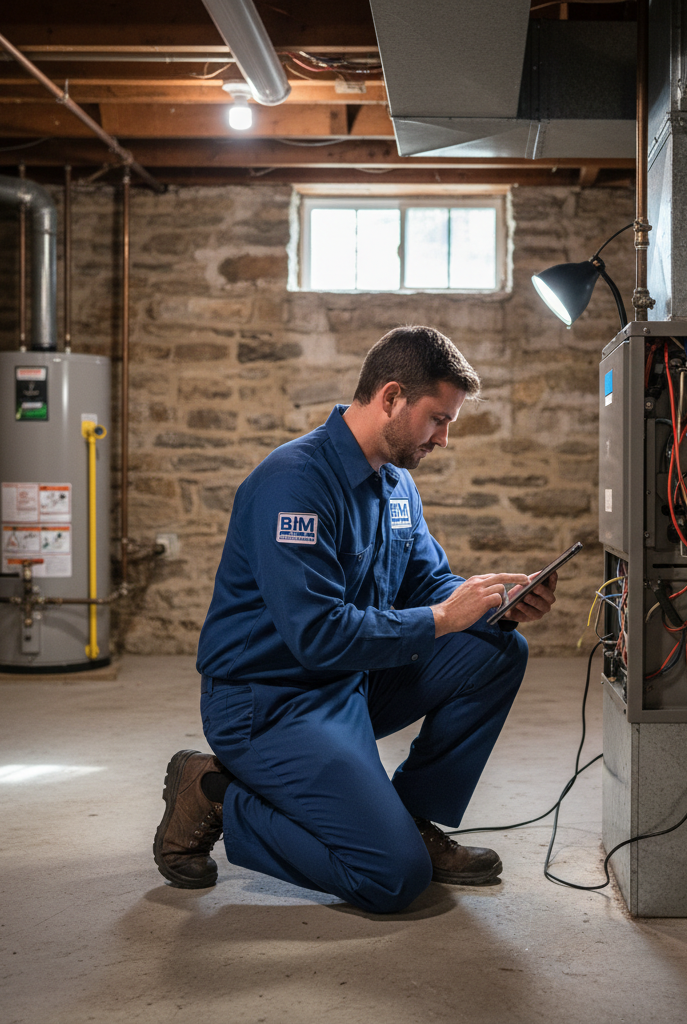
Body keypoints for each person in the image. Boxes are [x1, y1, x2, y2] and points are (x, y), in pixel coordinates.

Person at [153, 325, 558, 914]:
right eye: (437, 419)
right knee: (391, 877)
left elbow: (429, 585)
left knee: (496, 648)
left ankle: (411, 816)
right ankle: (216, 794)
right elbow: (318, 636)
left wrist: (494, 600)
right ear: (391, 397)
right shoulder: (294, 483)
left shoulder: (396, 485)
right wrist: (445, 617)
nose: (444, 439)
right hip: (269, 703)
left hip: (350, 683)